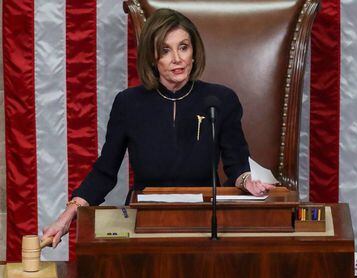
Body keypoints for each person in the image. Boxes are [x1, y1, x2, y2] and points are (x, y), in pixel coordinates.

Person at [43, 8, 276, 247]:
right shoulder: (128, 103)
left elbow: (237, 164)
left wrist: (247, 180)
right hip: (146, 223)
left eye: (183, 47)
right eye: (166, 50)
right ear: (153, 59)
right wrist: (69, 213)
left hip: (204, 223)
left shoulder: (220, 100)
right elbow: (105, 170)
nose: (177, 58)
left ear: (194, 52)